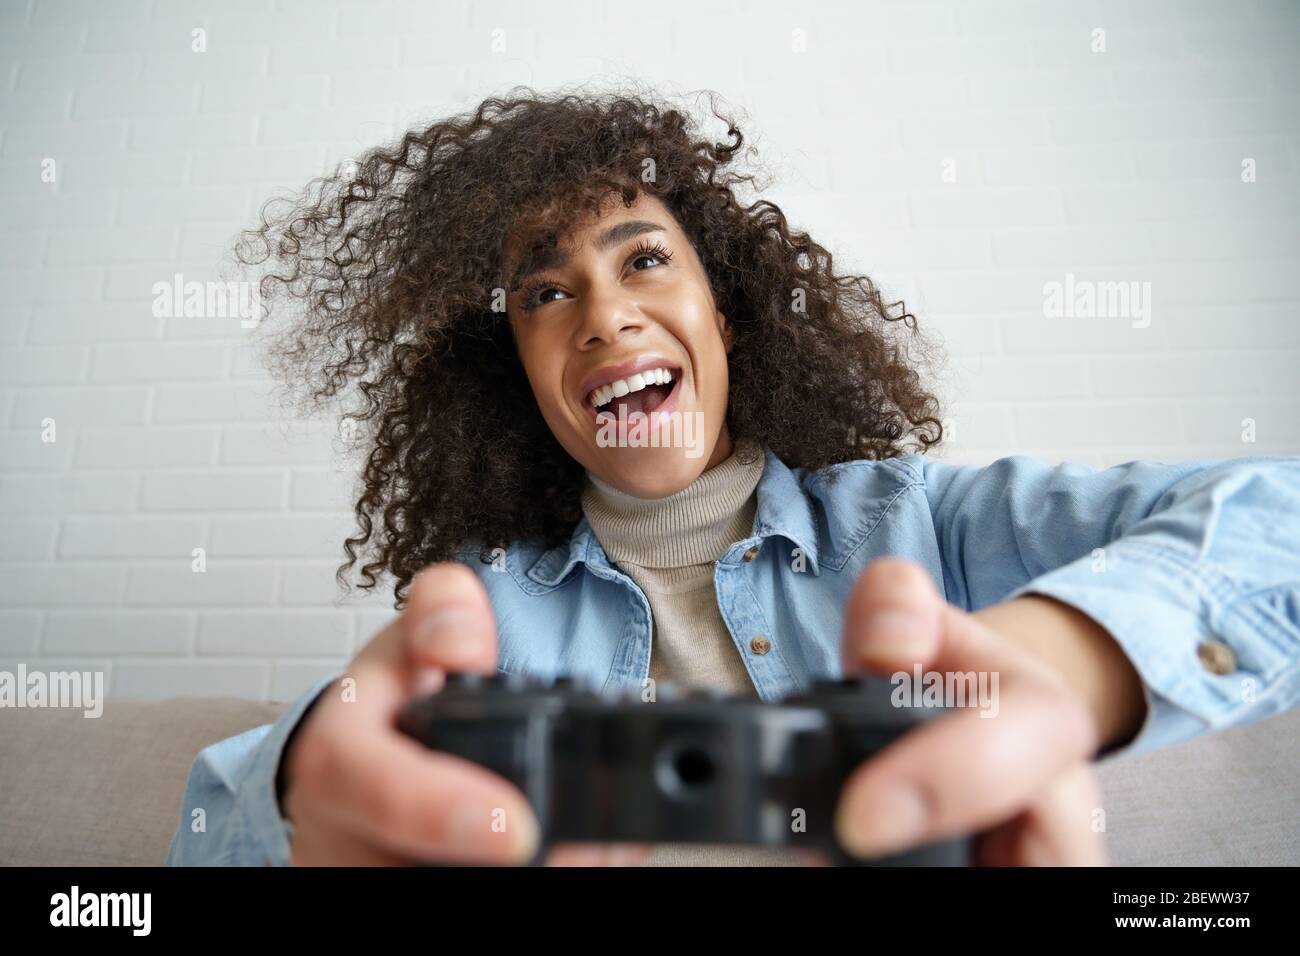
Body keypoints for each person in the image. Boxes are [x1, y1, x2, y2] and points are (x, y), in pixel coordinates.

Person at [165, 86, 1300, 867]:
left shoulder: (921, 521)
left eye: (644, 259)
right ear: (513, 370)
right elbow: (206, 827)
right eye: (545, 293)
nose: (605, 314)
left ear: (725, 311)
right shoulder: (486, 604)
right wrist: (301, 778)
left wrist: (1066, 663)